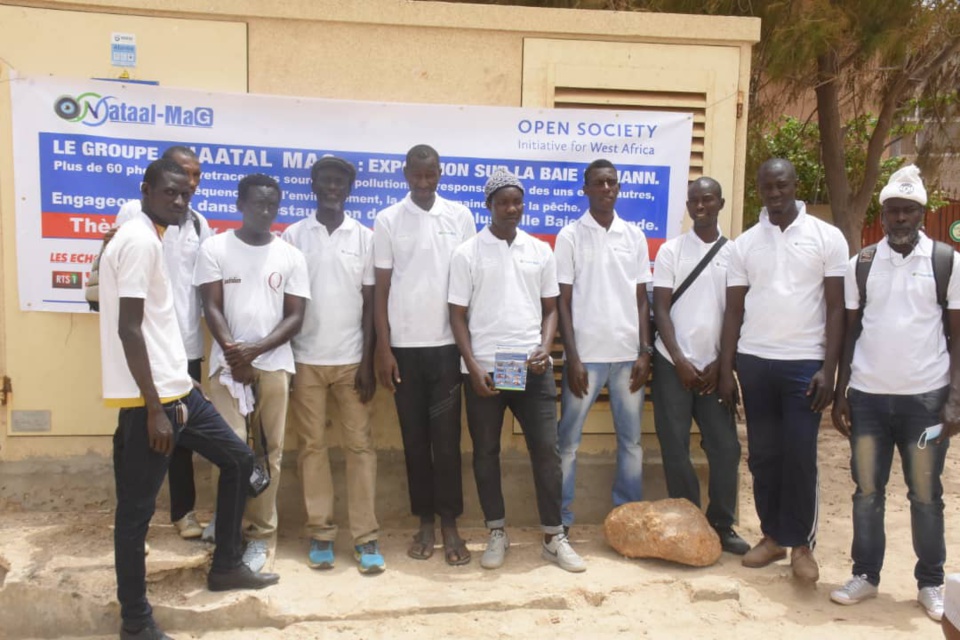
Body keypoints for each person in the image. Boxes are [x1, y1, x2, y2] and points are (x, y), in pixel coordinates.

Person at [101, 159, 278, 640]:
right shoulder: (137, 240)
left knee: (240, 461)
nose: (180, 202)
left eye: (186, 195)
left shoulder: (152, 233)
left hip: (178, 388)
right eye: (169, 193)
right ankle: (136, 621)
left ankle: (225, 568)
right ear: (146, 190)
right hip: (152, 404)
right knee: (135, 513)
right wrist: (155, 406)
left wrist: (181, 379)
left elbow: (154, 327)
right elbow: (129, 328)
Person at [830, 165, 959, 621]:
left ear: (922, 214)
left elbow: (957, 335)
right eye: (892, 212)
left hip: (925, 402)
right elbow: (848, 331)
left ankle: (930, 583)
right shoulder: (861, 264)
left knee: (925, 494)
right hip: (867, 399)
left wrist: (955, 398)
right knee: (867, 492)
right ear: (881, 216)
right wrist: (841, 390)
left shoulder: (946, 261)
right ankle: (865, 575)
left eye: (908, 211)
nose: (900, 219)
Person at [448, 168, 585, 573]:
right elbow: (456, 316)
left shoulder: (539, 250)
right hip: (487, 370)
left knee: (547, 452)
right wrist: (472, 367)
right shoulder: (467, 253)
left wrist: (545, 347)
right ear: (488, 206)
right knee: (486, 453)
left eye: (517, 202)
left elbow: (551, 310)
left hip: (529, 366)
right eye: (503, 202)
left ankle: (552, 536)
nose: (512, 209)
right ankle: (496, 531)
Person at [718, 158, 848, 582]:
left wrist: (830, 369)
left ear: (795, 185)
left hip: (804, 365)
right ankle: (773, 536)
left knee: (800, 457)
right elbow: (734, 310)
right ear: (759, 190)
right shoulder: (745, 244)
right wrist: (727, 368)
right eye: (767, 188)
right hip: (755, 363)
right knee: (763, 457)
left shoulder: (826, 238)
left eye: (782, 186)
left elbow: (835, 307)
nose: (775, 194)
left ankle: (802, 546)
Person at [194, 173, 309, 573]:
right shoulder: (215, 248)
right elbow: (211, 306)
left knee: (268, 454)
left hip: (274, 367)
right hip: (227, 370)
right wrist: (233, 353)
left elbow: (295, 317)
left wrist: (255, 352)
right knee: (228, 452)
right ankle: (227, 525)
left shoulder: (290, 255)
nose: (265, 212)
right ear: (240, 203)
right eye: (258, 203)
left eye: (272, 205)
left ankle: (261, 537)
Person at [373, 144, 476, 565]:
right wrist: (383, 347)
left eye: (430, 175)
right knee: (414, 441)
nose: (423, 183)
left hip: (448, 347)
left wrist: (471, 349)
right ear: (404, 174)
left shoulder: (460, 217)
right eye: (416, 175)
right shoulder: (388, 220)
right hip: (404, 351)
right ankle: (425, 523)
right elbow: (379, 290)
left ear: (440, 173)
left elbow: (473, 281)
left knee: (448, 442)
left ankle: (451, 524)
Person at [283, 157, 384, 574]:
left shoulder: (364, 236)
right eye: (324, 181)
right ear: (312, 185)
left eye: (339, 182)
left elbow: (371, 303)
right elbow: (286, 302)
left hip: (351, 362)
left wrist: (366, 360)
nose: (331, 187)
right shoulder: (293, 235)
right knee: (311, 448)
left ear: (349, 189)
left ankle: (365, 537)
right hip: (305, 360)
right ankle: (321, 533)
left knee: (360, 448)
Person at [112, 145, 214, 540]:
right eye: (183, 174)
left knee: (181, 434)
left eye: (195, 177)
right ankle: (133, 519)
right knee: (134, 434)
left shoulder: (200, 224)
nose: (189, 184)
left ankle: (183, 512)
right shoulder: (132, 216)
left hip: (183, 345)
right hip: (140, 344)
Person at [652, 177, 749, 555]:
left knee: (726, 448)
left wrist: (724, 367)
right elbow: (660, 308)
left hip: (714, 370)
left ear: (721, 203)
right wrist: (679, 360)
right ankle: (688, 520)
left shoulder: (736, 254)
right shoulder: (671, 252)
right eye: (694, 201)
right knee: (674, 447)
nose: (700, 206)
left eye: (708, 199)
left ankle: (722, 525)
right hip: (671, 364)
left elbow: (737, 315)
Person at [554, 159, 650, 534]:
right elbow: (562, 301)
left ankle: (626, 516)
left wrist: (644, 351)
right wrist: (572, 356)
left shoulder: (634, 236)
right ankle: (560, 519)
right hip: (586, 359)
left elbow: (642, 298)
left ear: (619, 188)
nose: (606, 188)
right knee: (568, 443)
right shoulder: (571, 236)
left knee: (632, 442)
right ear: (586, 189)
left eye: (612, 182)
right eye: (599, 182)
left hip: (628, 357)